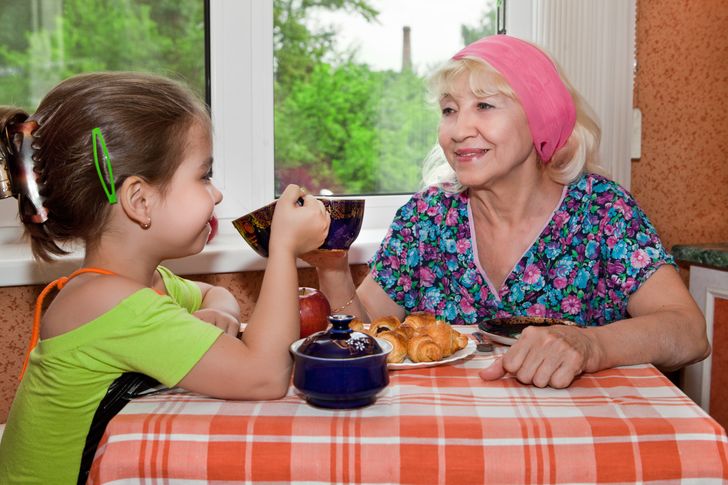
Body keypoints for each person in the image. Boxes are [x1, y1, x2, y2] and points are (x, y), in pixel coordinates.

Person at [306, 35, 709, 389]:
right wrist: (333, 266)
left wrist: (592, 345)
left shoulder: (602, 210)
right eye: (449, 109)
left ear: (541, 117)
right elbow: (365, 336)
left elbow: (689, 331)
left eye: (484, 105)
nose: (459, 129)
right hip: (450, 437)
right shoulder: (426, 217)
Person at [0, 72, 330, 484]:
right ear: (140, 200)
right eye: (204, 175)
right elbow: (265, 376)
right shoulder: (108, 305)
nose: (217, 194)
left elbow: (211, 294)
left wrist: (220, 310)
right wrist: (282, 249)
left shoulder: (138, 284)